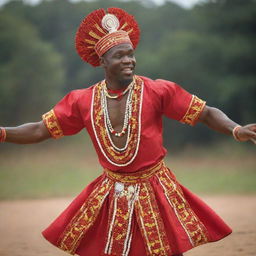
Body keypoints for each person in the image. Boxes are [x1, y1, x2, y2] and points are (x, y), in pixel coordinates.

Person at [1, 7, 255, 256]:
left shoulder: (158, 90)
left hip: (156, 187)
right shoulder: (81, 100)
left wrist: (236, 130)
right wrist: (2, 132)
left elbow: (206, 113)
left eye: (131, 54)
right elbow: (38, 130)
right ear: (103, 61)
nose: (129, 60)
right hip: (111, 190)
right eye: (120, 55)